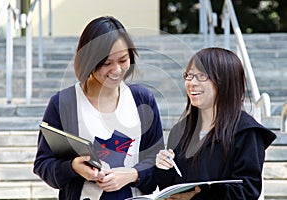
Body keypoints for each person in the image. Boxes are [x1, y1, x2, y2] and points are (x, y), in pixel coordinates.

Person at [33, 16, 164, 200]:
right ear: (88, 61)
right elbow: (43, 164)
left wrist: (132, 175)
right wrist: (72, 167)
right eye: (106, 63)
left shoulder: (142, 100)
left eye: (123, 60)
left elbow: (158, 163)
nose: (117, 70)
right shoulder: (63, 103)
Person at [154, 47, 277, 200]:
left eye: (202, 76)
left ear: (225, 81)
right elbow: (170, 189)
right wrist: (163, 168)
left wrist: (197, 197)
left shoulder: (246, 132)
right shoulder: (180, 130)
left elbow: (247, 191)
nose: (192, 83)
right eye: (189, 75)